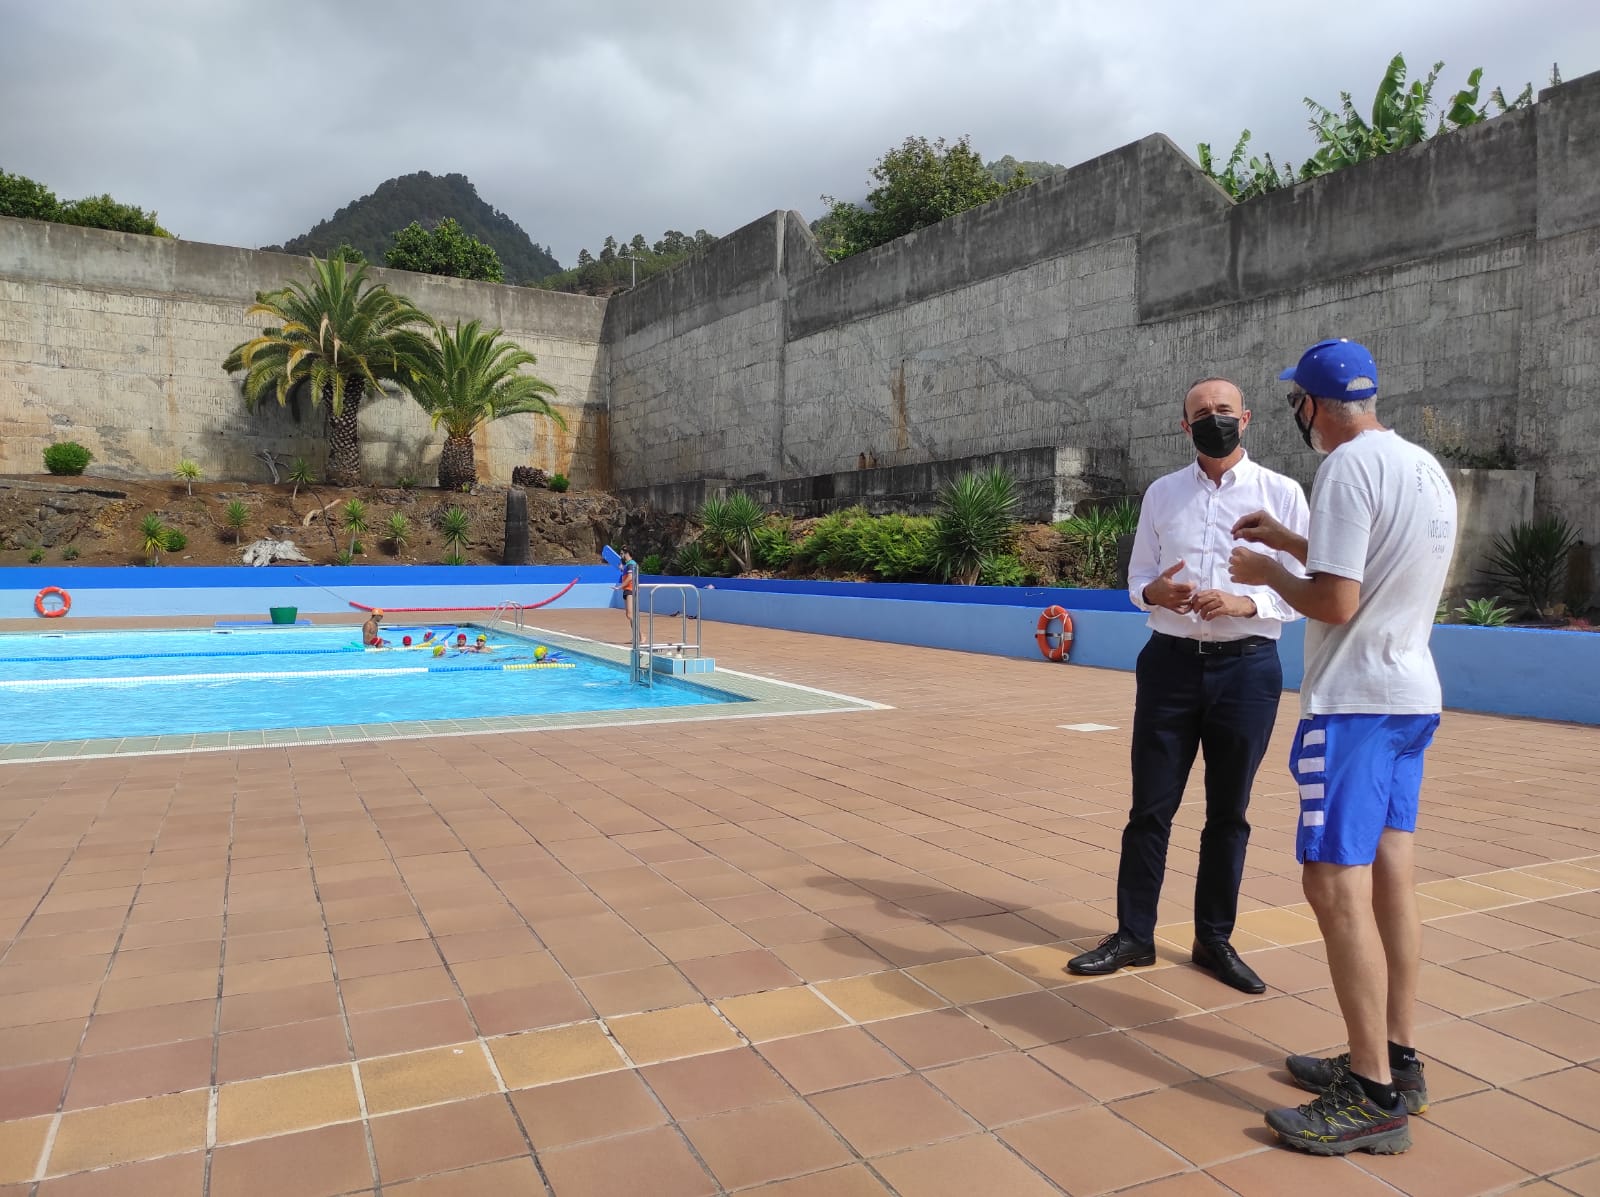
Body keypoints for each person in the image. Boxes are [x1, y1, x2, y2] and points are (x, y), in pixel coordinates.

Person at [1228, 338, 1456, 1157]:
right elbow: (1379, 564)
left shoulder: (1347, 468)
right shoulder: (1421, 467)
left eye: (1297, 401)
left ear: (1312, 406)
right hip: (1410, 697)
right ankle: (1398, 1056)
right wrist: (1294, 539)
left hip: (1354, 703)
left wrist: (1264, 567)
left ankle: (1369, 1093)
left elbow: (1335, 598)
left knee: (1329, 879)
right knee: (1391, 873)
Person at [1068, 378, 1309, 996]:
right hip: (1170, 663)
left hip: (1247, 668)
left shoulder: (1281, 493)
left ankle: (1214, 940)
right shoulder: (1162, 494)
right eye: (1201, 413)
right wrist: (1156, 593)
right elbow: (1138, 577)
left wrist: (1244, 600)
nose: (1214, 420)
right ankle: (1134, 935)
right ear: (1184, 427)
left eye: (1224, 411)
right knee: (1149, 808)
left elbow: (1305, 587)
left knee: (1229, 813)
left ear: (1247, 419)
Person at [616, 549, 639, 625]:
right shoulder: (628, 564)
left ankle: (641, 635)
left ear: (627, 553)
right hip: (627, 589)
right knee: (629, 615)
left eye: (622, 553)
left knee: (630, 615)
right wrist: (622, 569)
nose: (620, 555)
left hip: (630, 589)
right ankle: (636, 636)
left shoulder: (631, 564)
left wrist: (620, 587)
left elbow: (630, 577)